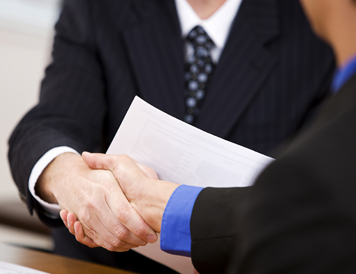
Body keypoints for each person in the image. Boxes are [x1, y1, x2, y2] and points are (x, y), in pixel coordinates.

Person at [8, 0, 335, 272]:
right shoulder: (100, 7)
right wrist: (69, 179)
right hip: (105, 263)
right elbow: (49, 122)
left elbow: (320, 190)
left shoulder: (320, 24)